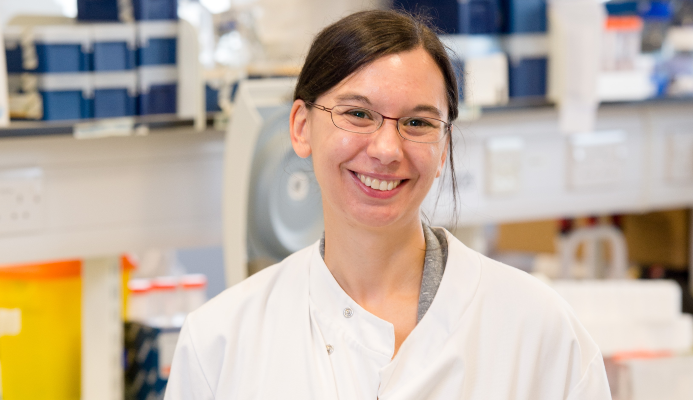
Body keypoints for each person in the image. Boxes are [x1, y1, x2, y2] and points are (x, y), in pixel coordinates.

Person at [166, 10, 612, 400]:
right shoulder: (219, 343)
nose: (385, 148)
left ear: (443, 149)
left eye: (417, 122)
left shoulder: (540, 331)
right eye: (358, 114)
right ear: (301, 127)